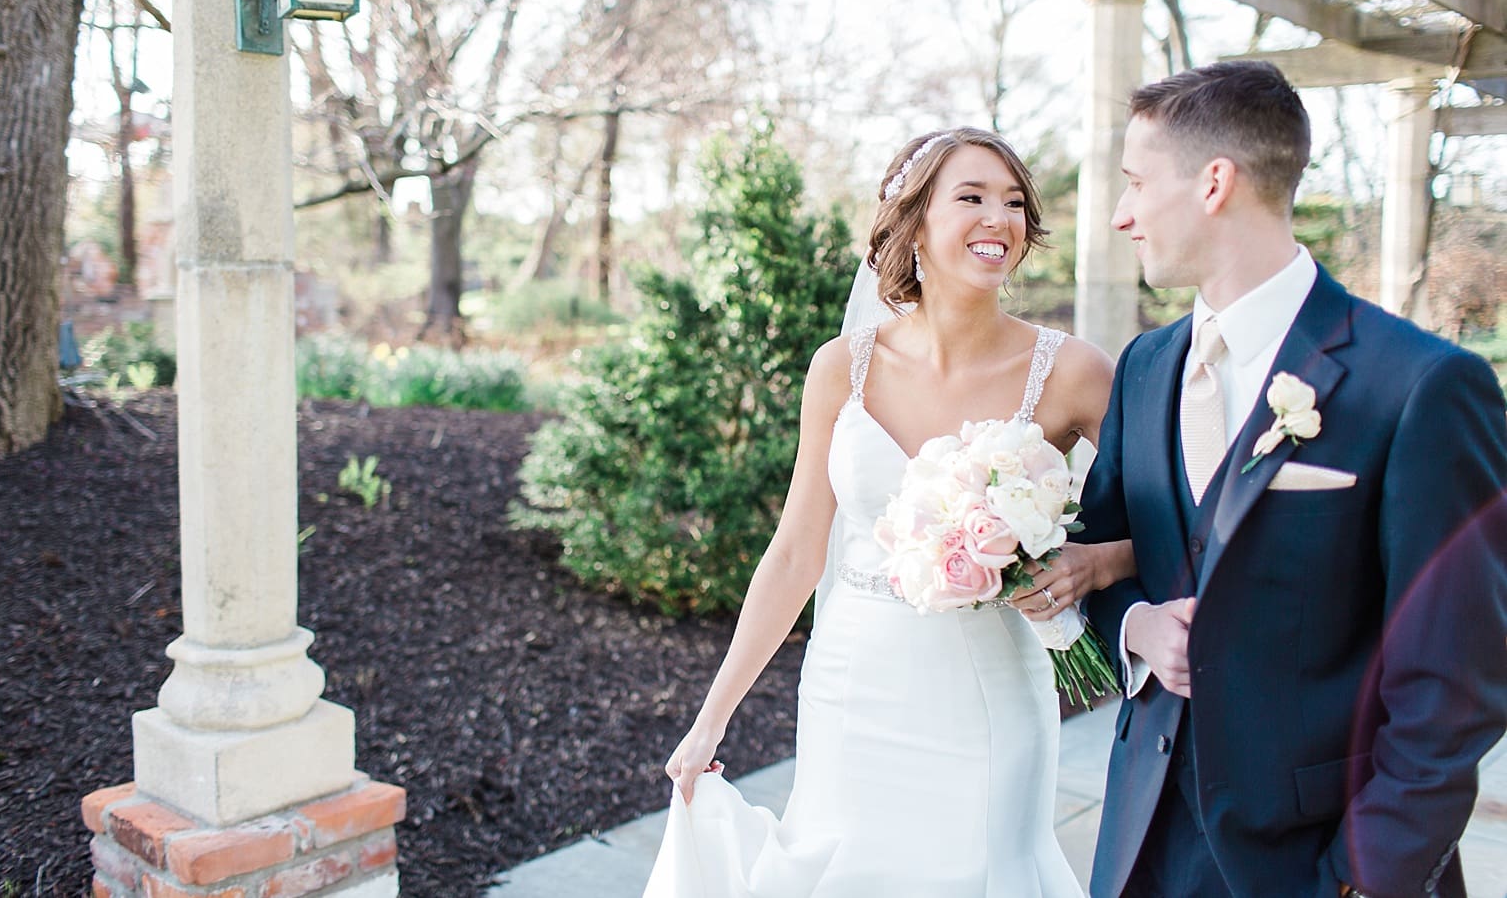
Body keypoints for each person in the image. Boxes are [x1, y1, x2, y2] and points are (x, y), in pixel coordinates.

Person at [643, 127, 1133, 897]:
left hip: (987, 690)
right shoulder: (842, 368)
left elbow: (1165, 521)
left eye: (1012, 202)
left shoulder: (1073, 371)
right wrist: (711, 716)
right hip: (851, 685)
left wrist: (1096, 563)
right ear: (913, 221)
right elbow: (797, 551)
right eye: (969, 197)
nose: (997, 219)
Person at [1081, 60, 1507, 898]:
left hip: (1315, 862)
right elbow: (1095, 563)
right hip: (1140, 850)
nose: (1123, 213)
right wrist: (1133, 623)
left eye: (1135, 182)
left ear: (1214, 183)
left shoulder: (1417, 384)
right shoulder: (1142, 367)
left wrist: (1361, 878)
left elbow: (1454, 683)